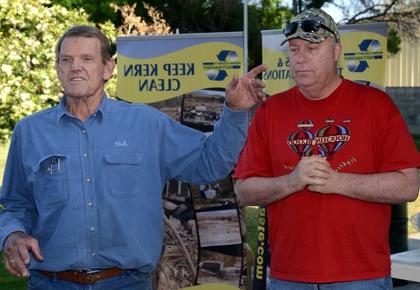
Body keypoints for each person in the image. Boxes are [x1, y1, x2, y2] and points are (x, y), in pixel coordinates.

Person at [0, 25, 267, 289]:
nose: (75, 67)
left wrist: (234, 111)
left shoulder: (146, 123)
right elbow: (15, 204)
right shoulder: (30, 131)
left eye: (87, 59)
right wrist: (12, 234)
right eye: (66, 60)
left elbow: (211, 163)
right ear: (58, 68)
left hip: (127, 282)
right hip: (51, 283)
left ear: (107, 69)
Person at [234, 8, 420, 290]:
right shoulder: (271, 110)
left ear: (335, 52)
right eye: (294, 50)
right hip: (289, 277)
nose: (300, 58)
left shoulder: (375, 105)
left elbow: (408, 186)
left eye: (312, 48)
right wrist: (292, 181)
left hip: (361, 276)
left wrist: (337, 181)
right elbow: (244, 190)